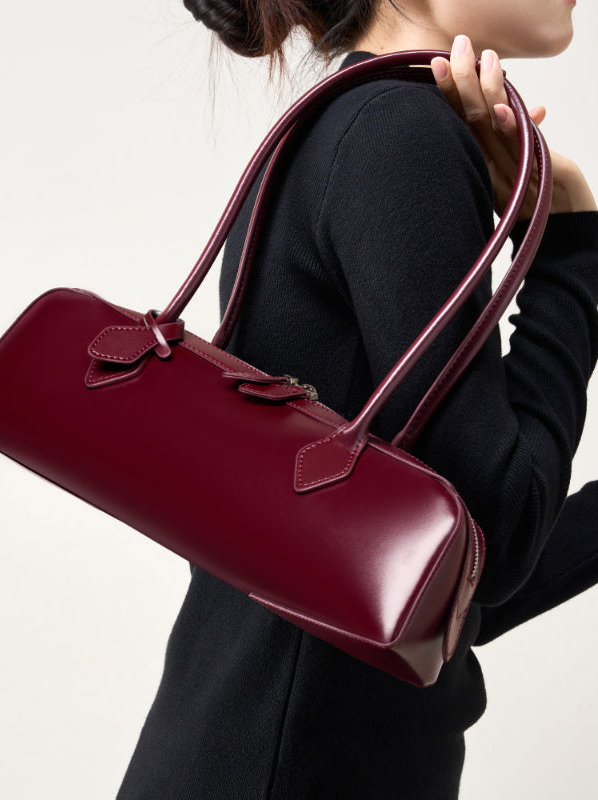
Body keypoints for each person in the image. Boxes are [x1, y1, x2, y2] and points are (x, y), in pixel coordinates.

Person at [117, 2, 598, 797]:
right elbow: (499, 537)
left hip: (263, 749)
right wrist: (572, 250)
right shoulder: (399, 133)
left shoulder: (360, 120)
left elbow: (436, 589)